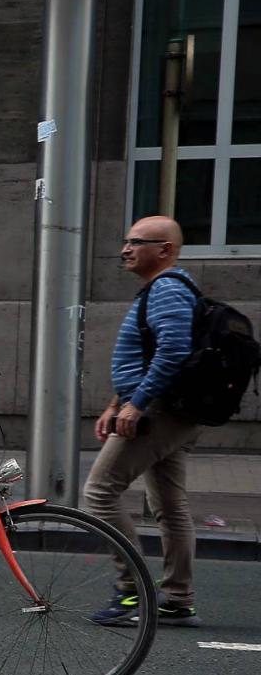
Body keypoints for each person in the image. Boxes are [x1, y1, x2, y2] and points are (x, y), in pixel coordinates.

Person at [85, 215, 204, 628]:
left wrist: (135, 405)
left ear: (165, 250)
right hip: (166, 409)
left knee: (99, 492)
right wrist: (116, 402)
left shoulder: (168, 288)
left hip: (158, 412)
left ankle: (132, 592)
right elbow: (148, 354)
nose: (125, 249)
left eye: (137, 242)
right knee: (170, 506)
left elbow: (172, 351)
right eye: (126, 240)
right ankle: (177, 598)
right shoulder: (162, 288)